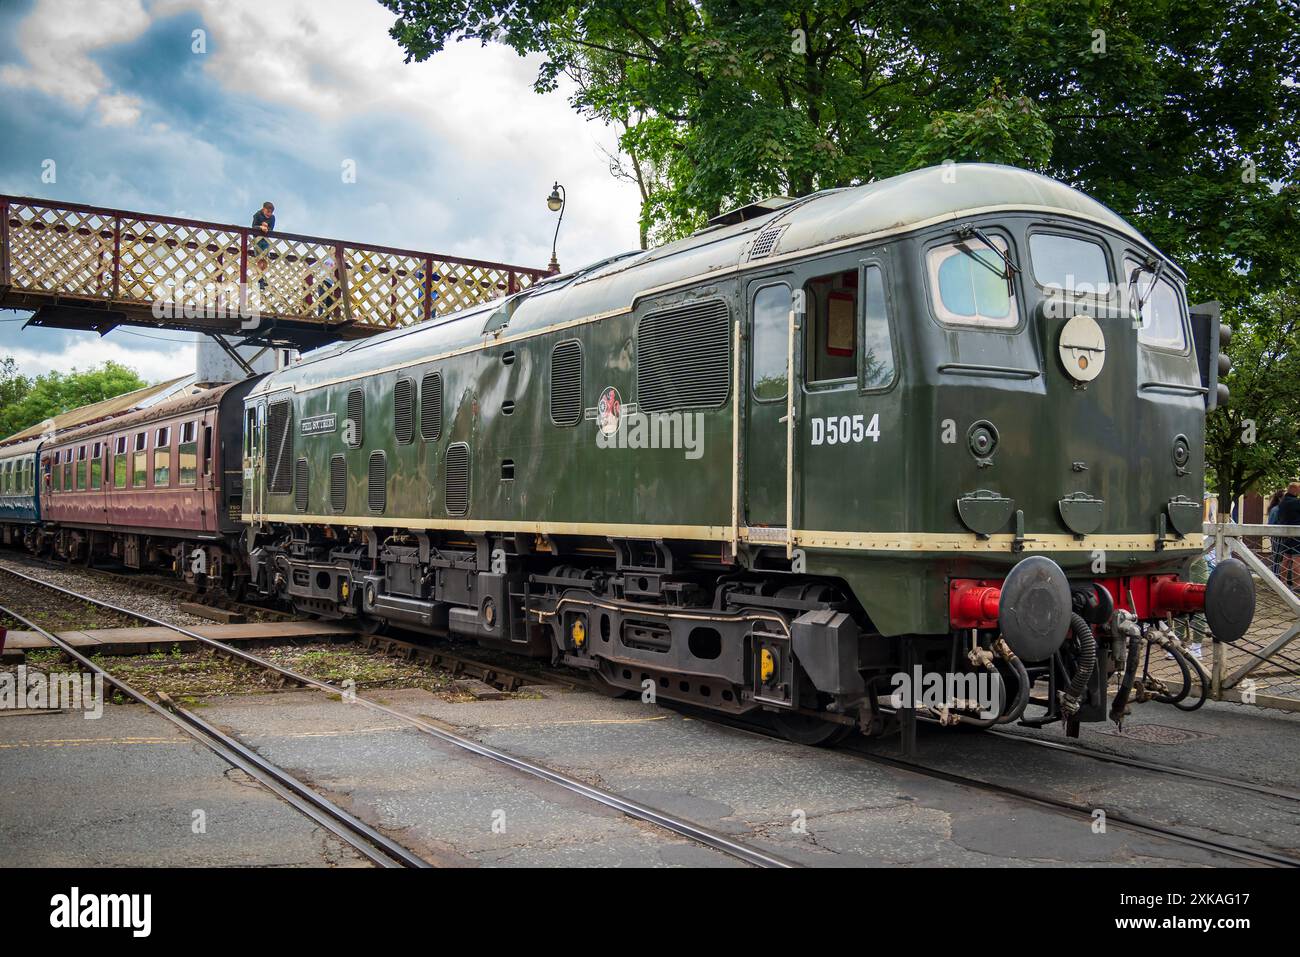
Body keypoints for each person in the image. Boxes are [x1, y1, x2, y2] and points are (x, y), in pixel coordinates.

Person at [1276, 482, 1300, 590]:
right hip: (1297, 535)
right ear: (1295, 490)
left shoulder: (1282, 502)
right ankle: (1297, 585)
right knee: (1297, 559)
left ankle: (1283, 583)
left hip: (1286, 534)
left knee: (1286, 558)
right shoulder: (1296, 502)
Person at [251, 202, 275, 291]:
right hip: (257, 240)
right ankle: (259, 279)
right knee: (259, 260)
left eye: (270, 212)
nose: (269, 214)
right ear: (263, 209)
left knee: (265, 260)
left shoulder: (272, 218)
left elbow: (272, 229)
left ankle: (262, 277)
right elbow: (253, 227)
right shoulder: (257, 215)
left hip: (266, 241)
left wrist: (267, 228)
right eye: (267, 212)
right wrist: (260, 227)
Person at [1267, 489, 1286, 575]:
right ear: (1280, 498)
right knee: (1277, 558)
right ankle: (1275, 576)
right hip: (1277, 537)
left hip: (1284, 537)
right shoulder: (1276, 509)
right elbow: (1271, 524)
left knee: (1282, 558)